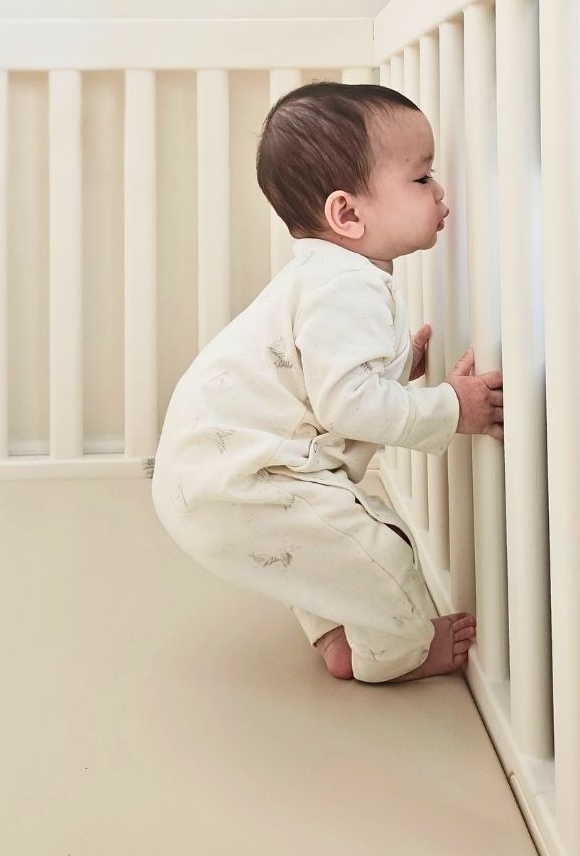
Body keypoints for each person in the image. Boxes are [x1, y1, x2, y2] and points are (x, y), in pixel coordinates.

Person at [151, 81, 504, 683]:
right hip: (246, 479)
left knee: (323, 548)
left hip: (221, 474)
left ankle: (339, 635)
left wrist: (396, 367)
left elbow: (329, 380)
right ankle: (398, 653)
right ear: (347, 213)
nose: (441, 191)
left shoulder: (325, 276)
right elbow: (349, 405)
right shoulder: (348, 284)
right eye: (422, 179)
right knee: (380, 549)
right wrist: (451, 408)